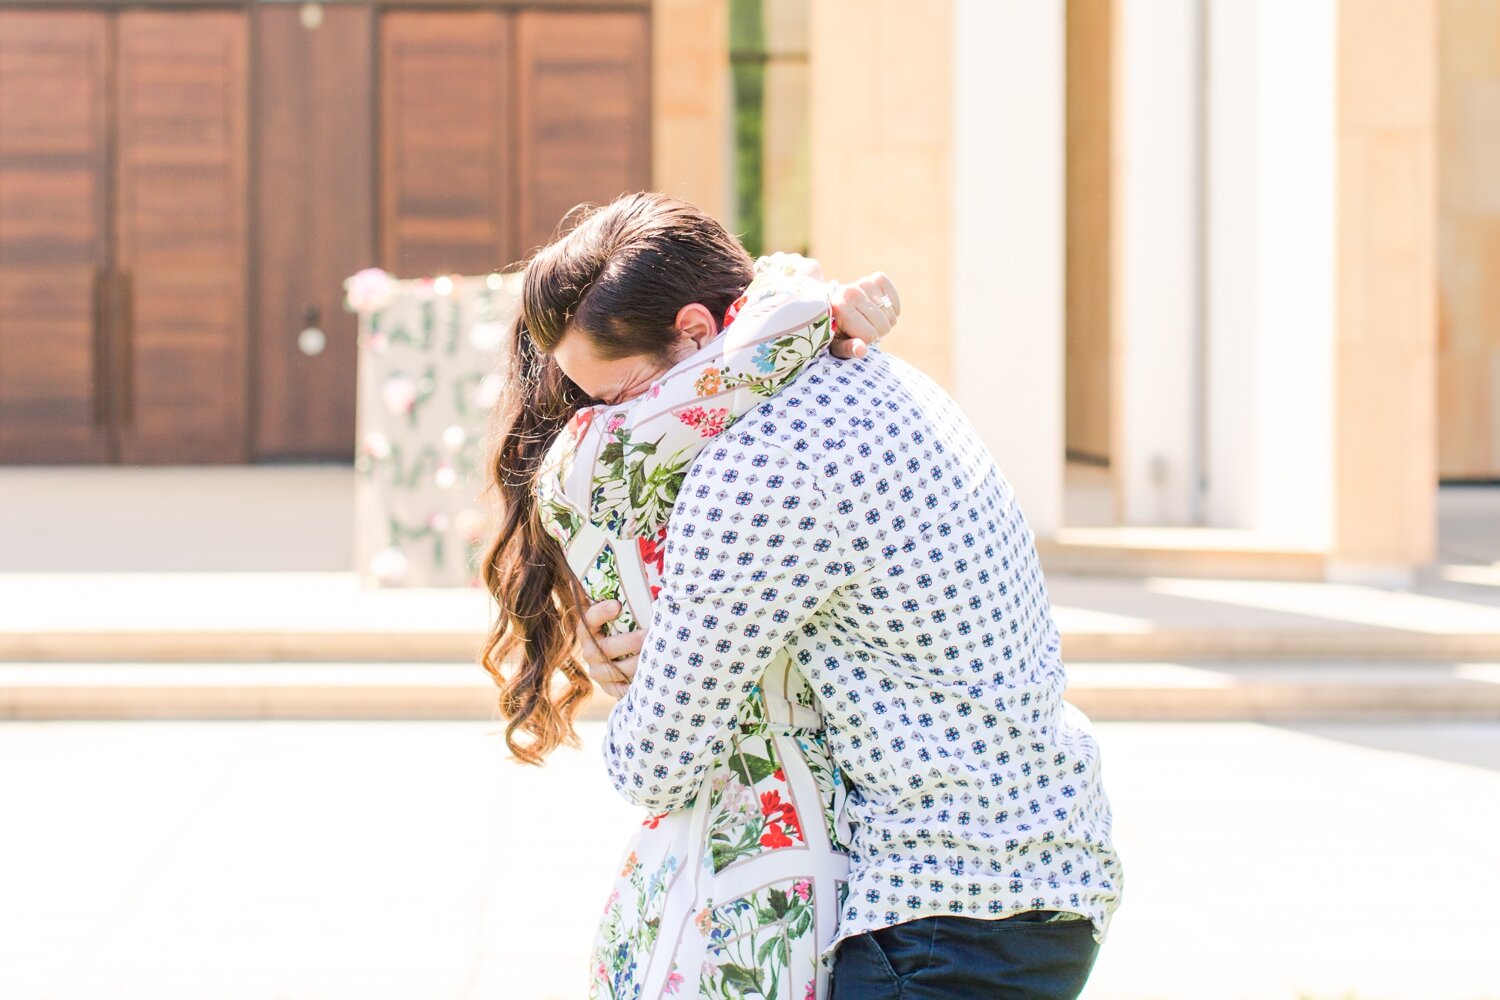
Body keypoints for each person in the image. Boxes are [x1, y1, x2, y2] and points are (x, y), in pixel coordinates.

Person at [482, 192, 902, 998]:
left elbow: (656, 761)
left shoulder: (760, 454)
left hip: (767, 871)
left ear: (703, 335)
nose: (606, 426)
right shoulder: (760, 383)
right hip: (772, 863)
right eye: (587, 402)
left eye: (617, 396)